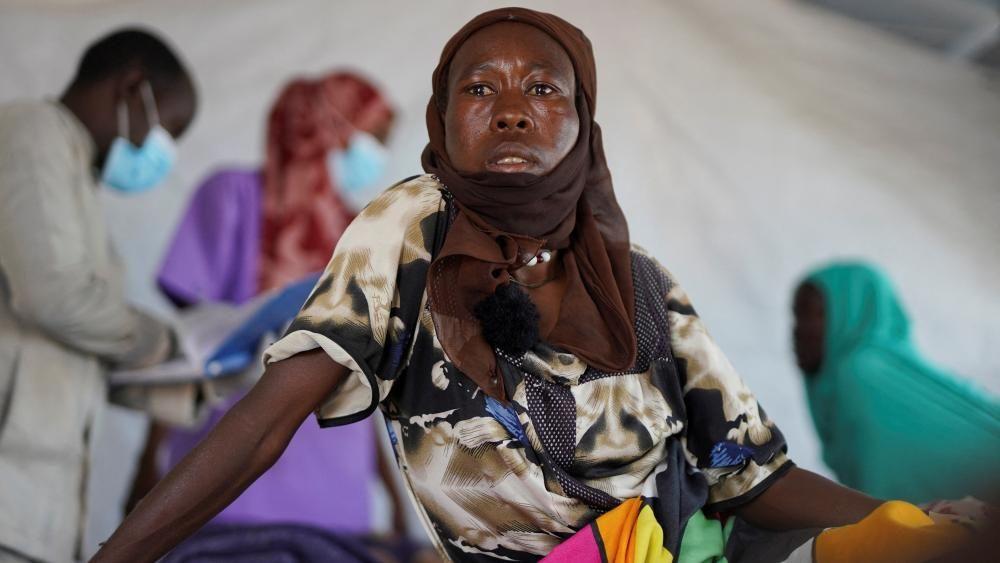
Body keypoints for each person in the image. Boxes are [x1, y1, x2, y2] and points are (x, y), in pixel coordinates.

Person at [92, 9, 973, 563]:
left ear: (583, 125)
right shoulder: (407, 232)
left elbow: (748, 473)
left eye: (543, 88)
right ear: (442, 124)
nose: (512, 107)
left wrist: (907, 519)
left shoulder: (643, 289)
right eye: (480, 88)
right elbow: (264, 420)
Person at [126, 72, 409, 544]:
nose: (375, 156)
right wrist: (147, 468)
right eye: (373, 139)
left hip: (335, 502)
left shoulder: (361, 233)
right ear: (331, 129)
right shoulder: (231, 197)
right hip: (222, 486)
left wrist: (390, 493)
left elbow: (361, 381)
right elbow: (188, 348)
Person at [0, 28, 197, 562]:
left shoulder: (71, 170)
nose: (161, 156)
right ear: (133, 87)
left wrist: (196, 378)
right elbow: (55, 299)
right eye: (167, 132)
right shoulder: (32, 132)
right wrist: (166, 342)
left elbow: (74, 352)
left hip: (36, 510)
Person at [793, 261, 1000, 504]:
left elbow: (886, 498)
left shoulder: (858, 373)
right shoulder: (868, 372)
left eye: (815, 313)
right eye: (797, 316)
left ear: (851, 312)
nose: (799, 331)